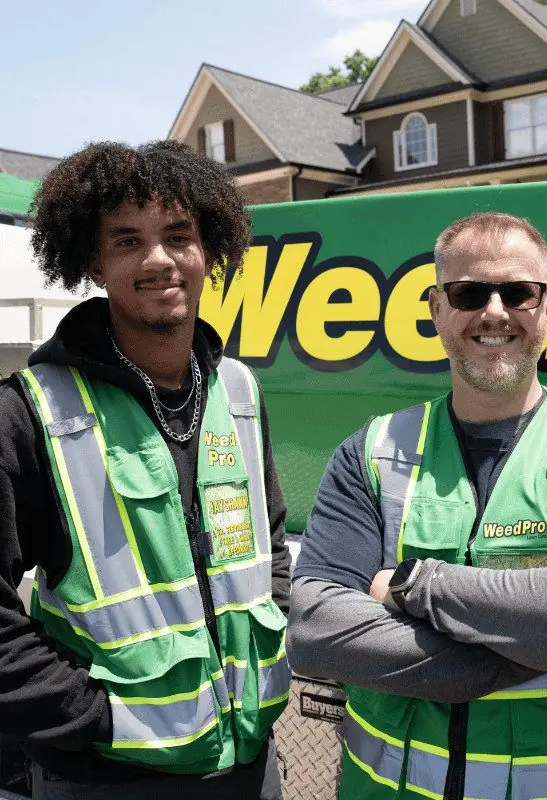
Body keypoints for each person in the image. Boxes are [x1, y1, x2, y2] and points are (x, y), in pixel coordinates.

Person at [287, 211, 547, 800]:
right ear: (436, 309)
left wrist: (411, 587)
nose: (494, 311)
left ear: (546, 307)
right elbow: (317, 626)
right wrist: (532, 645)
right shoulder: (373, 451)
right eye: (469, 293)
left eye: (518, 292)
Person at [0, 141, 292, 798]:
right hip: (105, 775)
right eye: (128, 240)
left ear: (209, 251)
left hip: (250, 766)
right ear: (94, 262)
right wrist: (90, 719)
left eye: (179, 236)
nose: (158, 259)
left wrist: (273, 638)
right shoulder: (29, 412)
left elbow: (269, 543)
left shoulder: (240, 390)